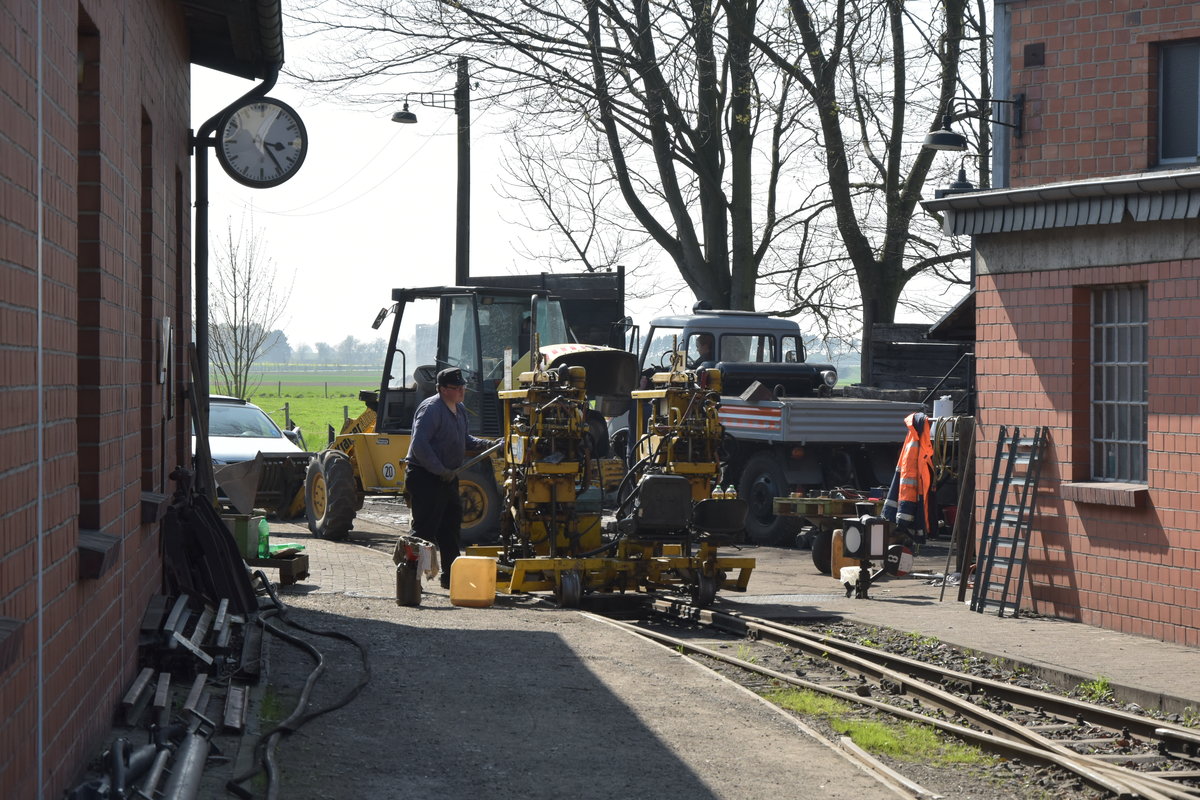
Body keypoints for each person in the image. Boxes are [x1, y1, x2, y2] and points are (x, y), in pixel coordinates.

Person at [405, 368, 496, 589]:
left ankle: (450, 578)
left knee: (451, 528)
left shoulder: (460, 410)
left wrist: (487, 444)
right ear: (443, 389)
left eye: (463, 387)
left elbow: (464, 439)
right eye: (457, 388)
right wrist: (439, 470)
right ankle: (410, 579)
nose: (462, 391)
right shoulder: (431, 410)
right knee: (424, 531)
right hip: (425, 476)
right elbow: (420, 446)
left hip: (448, 477)